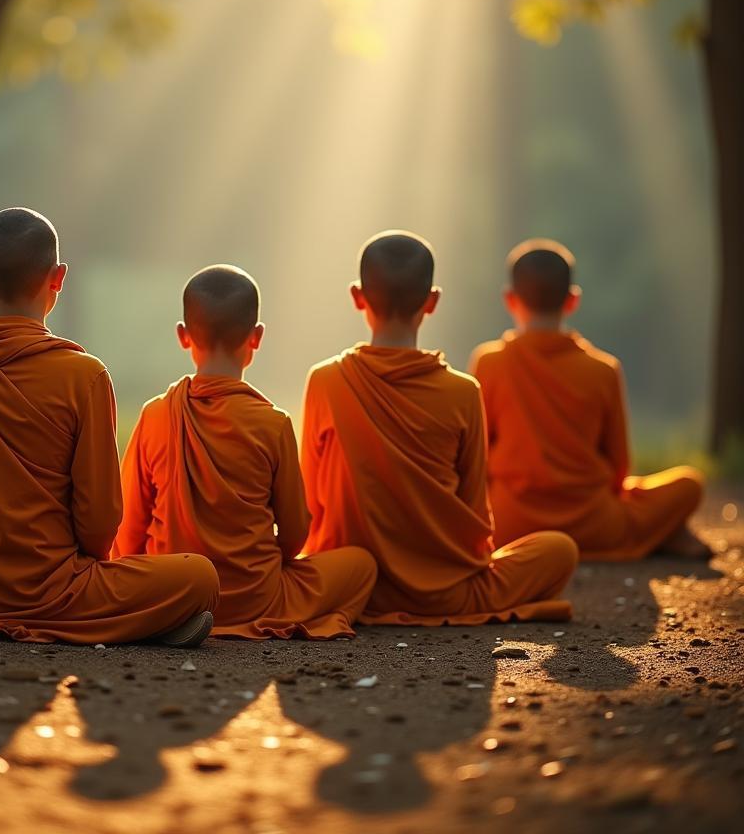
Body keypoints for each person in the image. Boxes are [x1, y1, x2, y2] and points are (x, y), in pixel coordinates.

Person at [0, 208, 218, 646]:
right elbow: (99, 518)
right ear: (58, 277)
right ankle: (131, 621)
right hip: (56, 590)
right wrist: (76, 570)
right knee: (198, 576)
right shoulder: (84, 375)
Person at [301, 230, 578, 625]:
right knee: (559, 550)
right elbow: (475, 514)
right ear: (432, 302)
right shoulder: (464, 391)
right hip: (448, 591)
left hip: (353, 583)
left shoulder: (325, 380)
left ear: (357, 296)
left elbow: (312, 502)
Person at [114, 265, 377, 638]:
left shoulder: (157, 414)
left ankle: (170, 618)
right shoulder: (273, 424)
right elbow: (294, 536)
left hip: (170, 589)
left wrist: (139, 583)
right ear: (256, 337)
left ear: (183, 336)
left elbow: (128, 531)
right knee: (361, 564)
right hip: (257, 597)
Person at [470, 238, 708, 560]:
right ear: (572, 301)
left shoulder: (489, 362)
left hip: (509, 526)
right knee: (688, 484)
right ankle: (660, 535)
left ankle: (661, 535)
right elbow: (620, 467)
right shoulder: (603, 369)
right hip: (595, 525)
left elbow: (477, 456)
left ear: (510, 300)